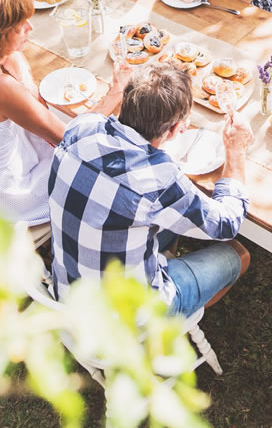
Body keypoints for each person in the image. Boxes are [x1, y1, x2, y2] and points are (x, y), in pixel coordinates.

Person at [49, 63, 252, 315]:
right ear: (177, 129)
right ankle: (175, 316)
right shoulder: (160, 179)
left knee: (165, 225)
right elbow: (226, 224)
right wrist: (236, 150)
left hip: (67, 295)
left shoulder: (80, 128)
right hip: (122, 322)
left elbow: (96, 120)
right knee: (238, 254)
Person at [0, 0, 130, 225]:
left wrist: (19, 69)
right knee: (99, 161)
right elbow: (73, 139)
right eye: (21, 27)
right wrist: (116, 91)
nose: (31, 28)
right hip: (3, 199)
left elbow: (12, 58)